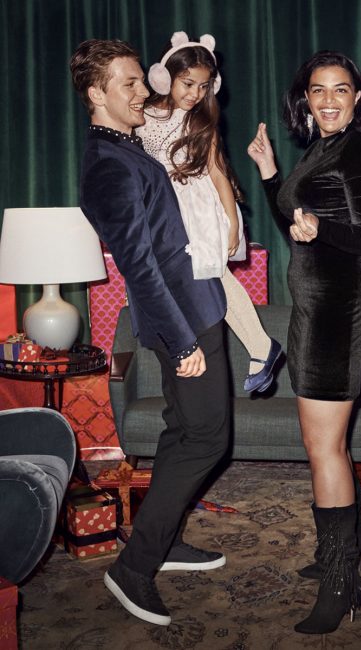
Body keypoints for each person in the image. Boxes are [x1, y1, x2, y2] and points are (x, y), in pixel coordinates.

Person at [70, 39, 231, 627]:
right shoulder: (108, 165)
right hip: (180, 318)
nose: (146, 90)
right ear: (97, 93)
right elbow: (138, 266)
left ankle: (162, 541)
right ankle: (133, 568)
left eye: (143, 79)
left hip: (191, 307)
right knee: (208, 437)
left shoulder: (124, 147)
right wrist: (183, 341)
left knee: (182, 428)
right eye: (130, 84)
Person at [247, 51, 361, 634]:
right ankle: (352, 541)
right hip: (315, 305)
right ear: (304, 98)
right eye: (318, 90)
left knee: (322, 446)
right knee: (328, 441)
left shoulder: (360, 150)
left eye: (341, 89)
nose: (329, 100)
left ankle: (340, 581)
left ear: (358, 98)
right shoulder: (321, 148)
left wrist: (321, 228)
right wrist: (270, 174)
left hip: (340, 307)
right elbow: (298, 228)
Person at [136, 31, 281, 392]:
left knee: (213, 277)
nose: (195, 94)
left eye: (203, 86)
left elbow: (218, 173)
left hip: (198, 210)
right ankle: (250, 349)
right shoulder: (140, 117)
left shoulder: (201, 122)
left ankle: (261, 346)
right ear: (164, 77)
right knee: (185, 283)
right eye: (188, 83)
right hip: (162, 213)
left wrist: (232, 224)